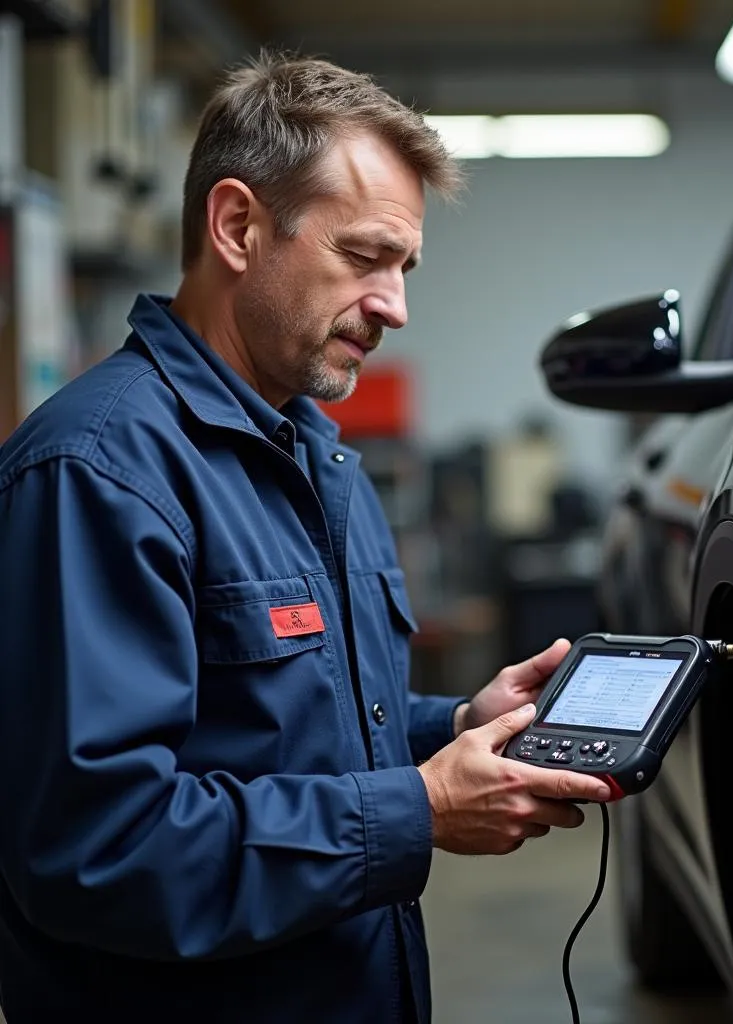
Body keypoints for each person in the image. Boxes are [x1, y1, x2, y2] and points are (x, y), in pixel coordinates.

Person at [0, 52, 610, 1024]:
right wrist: (419, 810)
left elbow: (281, 733)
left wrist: (448, 730)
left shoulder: (318, 459)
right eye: (364, 257)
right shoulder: (98, 474)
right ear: (237, 225)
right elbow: (96, 848)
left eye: (403, 269)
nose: (395, 307)